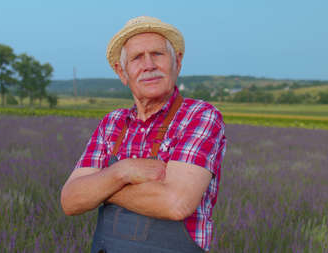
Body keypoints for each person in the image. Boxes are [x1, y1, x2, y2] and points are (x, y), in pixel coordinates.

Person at [61, 16, 226, 252]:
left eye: (158, 54)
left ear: (177, 62)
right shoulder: (112, 124)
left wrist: (101, 189)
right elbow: (70, 200)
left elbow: (176, 204)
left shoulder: (199, 116)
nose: (149, 65)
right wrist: (122, 171)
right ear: (122, 72)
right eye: (137, 58)